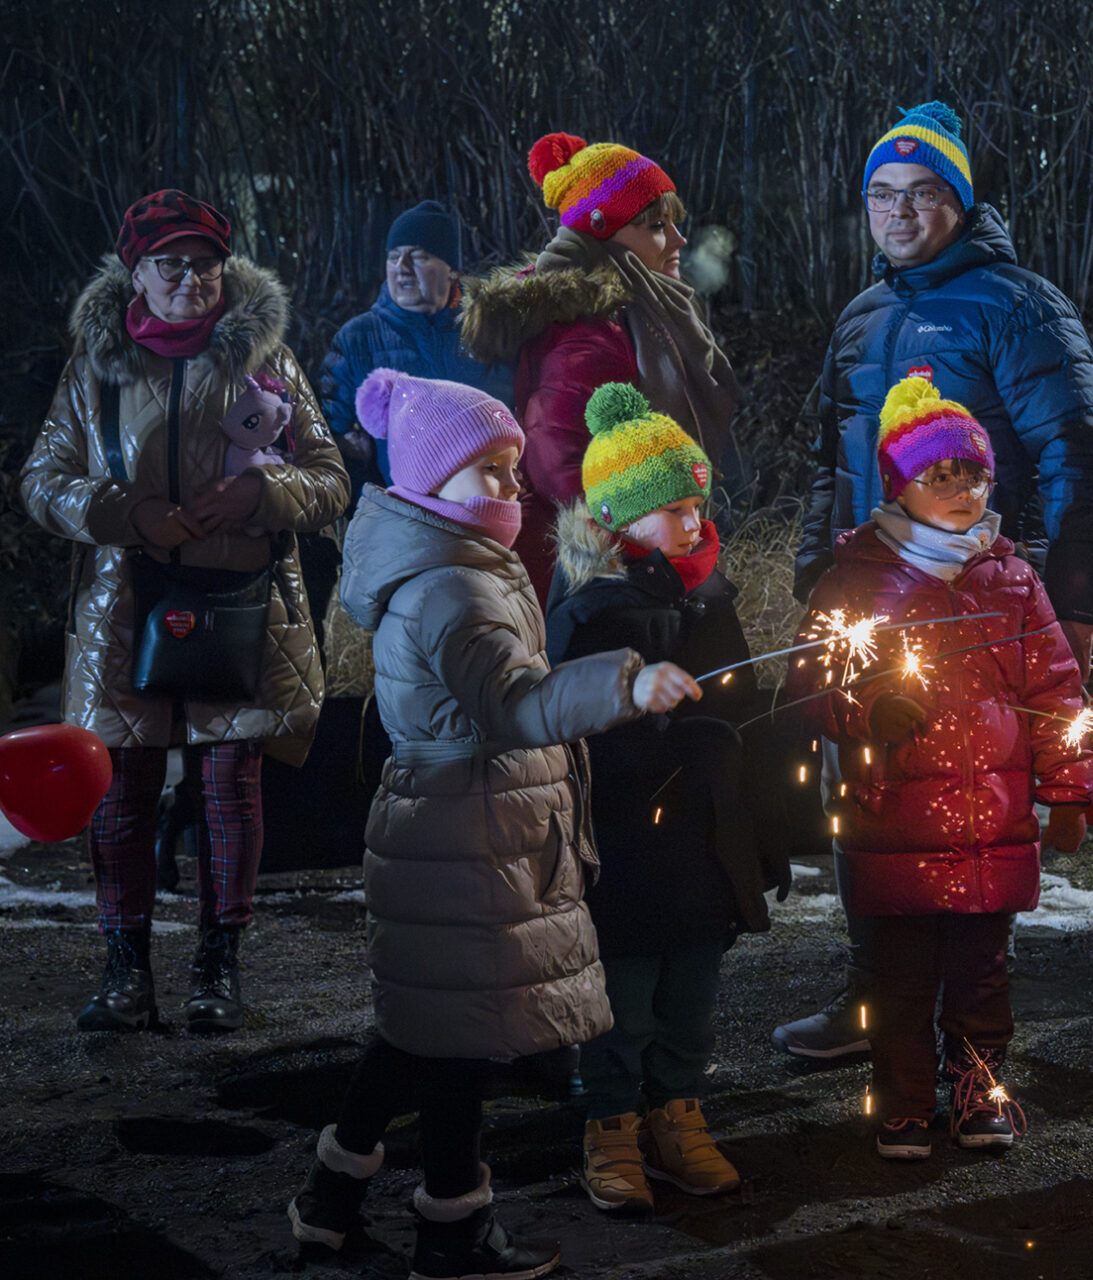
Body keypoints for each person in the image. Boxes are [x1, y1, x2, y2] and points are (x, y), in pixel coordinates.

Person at [286, 369, 700, 1277]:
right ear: (434, 479)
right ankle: (453, 1230)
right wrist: (626, 686)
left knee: (420, 1030)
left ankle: (330, 1200)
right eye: (492, 471)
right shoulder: (454, 589)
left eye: (514, 468)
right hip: (465, 830)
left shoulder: (461, 565)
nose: (514, 487)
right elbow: (514, 704)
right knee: (458, 1046)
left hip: (457, 824)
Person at [777, 100, 1093, 1057]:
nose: (899, 212)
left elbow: (1079, 463)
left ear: (960, 203)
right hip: (872, 602)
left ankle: (971, 1013)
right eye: (882, 194)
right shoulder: (863, 314)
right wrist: (816, 577)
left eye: (922, 193)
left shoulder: (1019, 306)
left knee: (966, 797)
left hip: (980, 606)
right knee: (870, 794)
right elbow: (829, 460)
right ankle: (874, 999)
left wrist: (1072, 606)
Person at [20, 189, 348, 1034]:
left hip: (240, 605)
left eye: (206, 264)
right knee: (121, 789)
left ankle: (218, 966)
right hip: (123, 609)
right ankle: (124, 969)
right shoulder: (95, 369)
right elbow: (43, 481)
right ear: (136, 272)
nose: (191, 279)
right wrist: (126, 512)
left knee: (229, 784)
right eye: (171, 263)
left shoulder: (266, 363)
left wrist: (259, 494)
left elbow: (329, 478)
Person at [785, 376, 1092, 1157]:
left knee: (983, 979)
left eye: (974, 476)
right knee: (899, 981)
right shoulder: (856, 579)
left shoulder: (1012, 580)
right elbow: (808, 685)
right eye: (940, 476)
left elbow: (1056, 691)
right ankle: (902, 1100)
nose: (962, 491)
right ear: (899, 486)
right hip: (894, 825)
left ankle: (978, 1090)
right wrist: (866, 711)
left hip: (992, 826)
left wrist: (1068, 791)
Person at [547, 384, 790, 1212]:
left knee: (691, 993)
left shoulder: (710, 598)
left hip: (705, 839)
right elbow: (567, 717)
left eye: (697, 506)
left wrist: (758, 830)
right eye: (674, 509)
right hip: (626, 845)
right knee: (623, 997)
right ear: (616, 518)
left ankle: (677, 1112)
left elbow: (743, 716)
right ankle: (611, 1122)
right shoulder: (591, 608)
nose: (693, 523)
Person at [464, 135, 746, 603]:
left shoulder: (631, 317)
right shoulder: (589, 335)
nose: (678, 239)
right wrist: (649, 542)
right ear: (604, 232)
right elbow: (563, 470)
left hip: (629, 564)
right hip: (597, 579)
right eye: (657, 226)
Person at [319, 200, 514, 492]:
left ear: (452, 271)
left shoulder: (489, 326)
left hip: (493, 500)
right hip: (407, 509)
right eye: (394, 257)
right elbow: (326, 429)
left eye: (419, 257)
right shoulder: (358, 339)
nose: (402, 268)